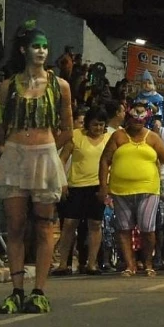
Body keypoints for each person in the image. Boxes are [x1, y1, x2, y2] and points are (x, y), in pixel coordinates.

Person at [0, 25, 74, 314]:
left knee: (44, 226)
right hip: (16, 156)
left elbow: (68, 129)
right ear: (23, 50)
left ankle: (39, 289)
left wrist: (49, 151)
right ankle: (16, 290)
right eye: (36, 46)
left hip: (44, 156)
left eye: (44, 46)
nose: (41, 51)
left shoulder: (59, 85)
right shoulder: (7, 86)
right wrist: (9, 146)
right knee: (14, 226)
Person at [99, 102, 164, 277]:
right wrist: (103, 188)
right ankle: (130, 265)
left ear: (147, 119)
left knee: (147, 228)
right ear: (128, 117)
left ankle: (148, 263)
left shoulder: (152, 137)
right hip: (120, 190)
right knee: (123, 228)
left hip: (148, 189)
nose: (138, 121)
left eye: (142, 118)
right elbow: (105, 161)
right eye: (135, 117)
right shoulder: (118, 136)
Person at [53, 106, 112, 276]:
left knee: (95, 224)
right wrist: (62, 182)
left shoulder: (109, 139)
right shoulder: (76, 135)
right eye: (95, 125)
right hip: (76, 186)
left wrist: (106, 187)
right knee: (70, 224)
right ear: (87, 124)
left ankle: (91, 264)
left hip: (98, 186)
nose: (98, 128)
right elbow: (62, 159)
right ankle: (63, 264)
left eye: (101, 125)